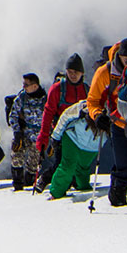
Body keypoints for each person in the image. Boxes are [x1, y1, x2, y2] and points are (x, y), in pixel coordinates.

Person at [86, 38, 127, 207]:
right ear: (119, 56)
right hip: (120, 124)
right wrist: (97, 116)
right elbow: (93, 100)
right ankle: (118, 197)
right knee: (124, 165)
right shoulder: (105, 72)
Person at [33, 55, 87, 191]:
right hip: (60, 131)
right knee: (62, 162)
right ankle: (46, 179)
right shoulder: (58, 89)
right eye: (70, 72)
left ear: (82, 73)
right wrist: (44, 135)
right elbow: (48, 112)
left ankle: (68, 181)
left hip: (80, 132)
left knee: (77, 161)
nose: (73, 75)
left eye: (76, 72)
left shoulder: (87, 90)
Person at [42, 99, 106, 199]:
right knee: (67, 166)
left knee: (83, 167)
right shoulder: (84, 106)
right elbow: (66, 115)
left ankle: (83, 189)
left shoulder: (111, 110)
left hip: (92, 146)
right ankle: (56, 193)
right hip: (73, 137)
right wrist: (56, 137)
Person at [7, 73, 48, 191]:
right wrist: (17, 133)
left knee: (34, 162)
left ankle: (29, 183)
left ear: (35, 86)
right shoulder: (21, 98)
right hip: (23, 134)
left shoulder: (45, 99)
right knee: (16, 156)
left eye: (26, 84)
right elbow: (13, 116)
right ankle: (18, 185)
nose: (23, 87)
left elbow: (50, 118)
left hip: (38, 136)